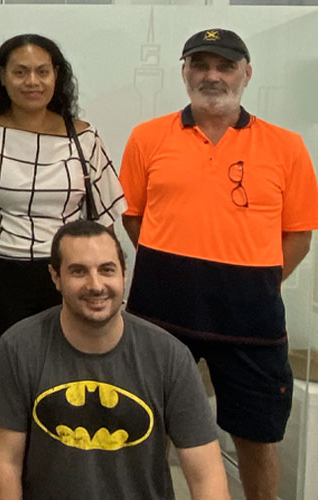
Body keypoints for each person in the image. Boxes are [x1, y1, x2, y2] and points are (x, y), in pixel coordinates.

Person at [119, 28, 318, 500]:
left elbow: (299, 236)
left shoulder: (286, 146)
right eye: (201, 65)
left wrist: (253, 280)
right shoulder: (147, 137)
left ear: (246, 74)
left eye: (225, 65)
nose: (213, 75)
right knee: (146, 431)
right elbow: (132, 218)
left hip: (251, 321)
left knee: (257, 437)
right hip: (159, 317)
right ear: (184, 72)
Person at [0, 33, 125, 472]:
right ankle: (3, 484)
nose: (32, 81)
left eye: (42, 71)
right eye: (21, 72)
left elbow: (105, 220)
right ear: (2, 79)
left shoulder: (84, 138)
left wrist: (98, 280)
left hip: (70, 282)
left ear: (57, 77)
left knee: (71, 391)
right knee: (10, 391)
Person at [0, 220, 231, 500]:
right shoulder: (18, 349)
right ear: (55, 277)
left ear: (124, 274)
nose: (96, 285)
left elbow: (206, 475)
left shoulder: (169, 356)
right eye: (78, 272)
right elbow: (6, 464)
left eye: (107, 270)